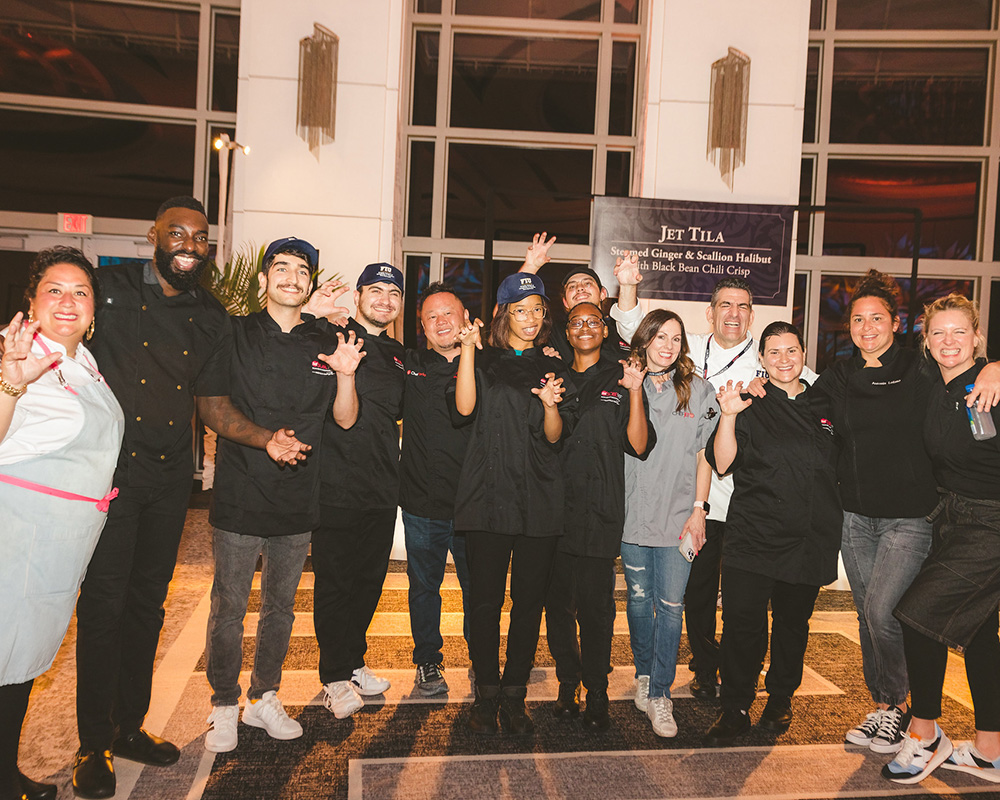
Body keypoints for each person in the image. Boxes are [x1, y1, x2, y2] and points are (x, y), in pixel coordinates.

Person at [73, 197, 310, 800]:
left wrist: (263, 437)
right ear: (154, 235)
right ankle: (90, 743)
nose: (188, 244)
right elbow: (62, 337)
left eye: (200, 237)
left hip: (168, 478)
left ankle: (129, 727)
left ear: (209, 247)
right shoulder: (109, 287)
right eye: (177, 233)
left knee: (149, 604)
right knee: (103, 608)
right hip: (108, 473)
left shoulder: (210, 315)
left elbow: (213, 404)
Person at [804, 270, 1000, 757]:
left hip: (934, 519)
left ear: (897, 323)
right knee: (888, 621)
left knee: (895, 612)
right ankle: (916, 718)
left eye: (877, 318)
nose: (867, 327)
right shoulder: (857, 374)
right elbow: (806, 409)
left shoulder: (928, 370)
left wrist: (997, 365)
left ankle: (920, 724)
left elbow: (977, 399)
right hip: (891, 517)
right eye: (857, 319)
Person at [612, 274, 813, 698]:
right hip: (693, 501)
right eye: (725, 305)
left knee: (743, 601)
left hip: (743, 504)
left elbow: (809, 384)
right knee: (695, 597)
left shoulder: (766, 363)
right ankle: (705, 667)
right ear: (711, 312)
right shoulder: (688, 351)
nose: (733, 314)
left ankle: (741, 672)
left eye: (742, 307)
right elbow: (636, 334)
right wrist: (627, 287)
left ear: (752, 316)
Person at [203, 238, 364, 752]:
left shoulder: (328, 340)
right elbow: (211, 407)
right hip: (240, 492)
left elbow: (345, 419)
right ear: (263, 279)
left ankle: (263, 697)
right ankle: (223, 704)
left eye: (301, 270)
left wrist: (345, 375)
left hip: (298, 496)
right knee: (229, 605)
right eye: (282, 268)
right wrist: (265, 439)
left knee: (280, 607)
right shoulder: (236, 333)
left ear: (311, 283)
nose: (292, 277)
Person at [0, 248, 123, 800]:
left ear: (94, 308)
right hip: (16, 539)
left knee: (22, 659)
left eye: (80, 292)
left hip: (55, 546)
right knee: (6, 659)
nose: (67, 302)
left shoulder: (83, 362)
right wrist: (11, 382)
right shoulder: (16, 358)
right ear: (31, 302)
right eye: (54, 290)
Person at [703, 321, 841, 746]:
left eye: (792, 350)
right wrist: (727, 416)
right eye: (774, 352)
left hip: (808, 536)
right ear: (761, 359)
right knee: (742, 624)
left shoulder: (827, 403)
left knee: (792, 624)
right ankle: (735, 705)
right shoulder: (749, 401)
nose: (785, 359)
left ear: (804, 355)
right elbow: (722, 463)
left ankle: (781, 696)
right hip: (754, 534)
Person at [882, 294, 1000, 784]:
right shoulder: (938, 383)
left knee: (916, 614)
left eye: (959, 332)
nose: (948, 341)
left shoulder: (991, 387)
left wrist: (996, 367)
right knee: (979, 635)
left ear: (977, 337)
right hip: (951, 519)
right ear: (927, 342)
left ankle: (926, 731)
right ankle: (992, 751)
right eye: (938, 333)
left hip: (992, 524)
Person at [452, 272, 576, 735]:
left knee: (528, 604)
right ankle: (486, 692)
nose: (531, 318)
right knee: (484, 602)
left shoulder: (554, 365)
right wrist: (467, 350)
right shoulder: (482, 361)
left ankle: (515, 693)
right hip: (487, 498)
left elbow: (555, 436)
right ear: (505, 313)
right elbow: (464, 409)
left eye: (539, 310)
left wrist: (549, 405)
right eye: (521, 309)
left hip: (540, 500)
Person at [544, 301, 654, 729]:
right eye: (577, 322)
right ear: (567, 332)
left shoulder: (621, 376)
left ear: (605, 331)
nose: (586, 327)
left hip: (600, 508)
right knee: (556, 608)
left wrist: (635, 390)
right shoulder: (552, 375)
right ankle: (568, 681)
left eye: (594, 321)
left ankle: (597, 690)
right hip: (552, 510)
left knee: (596, 609)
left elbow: (640, 445)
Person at [313, 262, 405, 718]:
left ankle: (352, 662)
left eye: (393, 293)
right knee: (335, 582)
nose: (385, 299)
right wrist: (314, 316)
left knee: (369, 582)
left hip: (382, 485)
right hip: (334, 482)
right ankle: (332, 676)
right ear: (360, 294)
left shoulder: (400, 354)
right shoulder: (332, 334)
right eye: (377, 290)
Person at [621, 309, 717, 738]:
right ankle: (644, 673)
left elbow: (704, 456)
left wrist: (700, 508)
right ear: (642, 340)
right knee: (639, 601)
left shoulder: (697, 390)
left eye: (676, 338)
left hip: (680, 517)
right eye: (659, 336)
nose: (668, 345)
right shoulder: (623, 383)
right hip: (632, 514)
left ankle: (661, 693)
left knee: (671, 606)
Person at [400, 283, 473, 696]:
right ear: (422, 326)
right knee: (424, 588)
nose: (442, 321)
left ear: (465, 320)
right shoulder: (408, 364)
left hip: (472, 506)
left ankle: (479, 658)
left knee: (479, 591)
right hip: (421, 503)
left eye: (450, 313)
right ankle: (428, 660)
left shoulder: (486, 365)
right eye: (432, 316)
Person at [515, 233, 633, 361]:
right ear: (565, 302)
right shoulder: (553, 333)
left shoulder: (621, 330)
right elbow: (507, 318)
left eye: (588, 283)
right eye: (572, 287)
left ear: (602, 293)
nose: (580, 288)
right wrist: (531, 266)